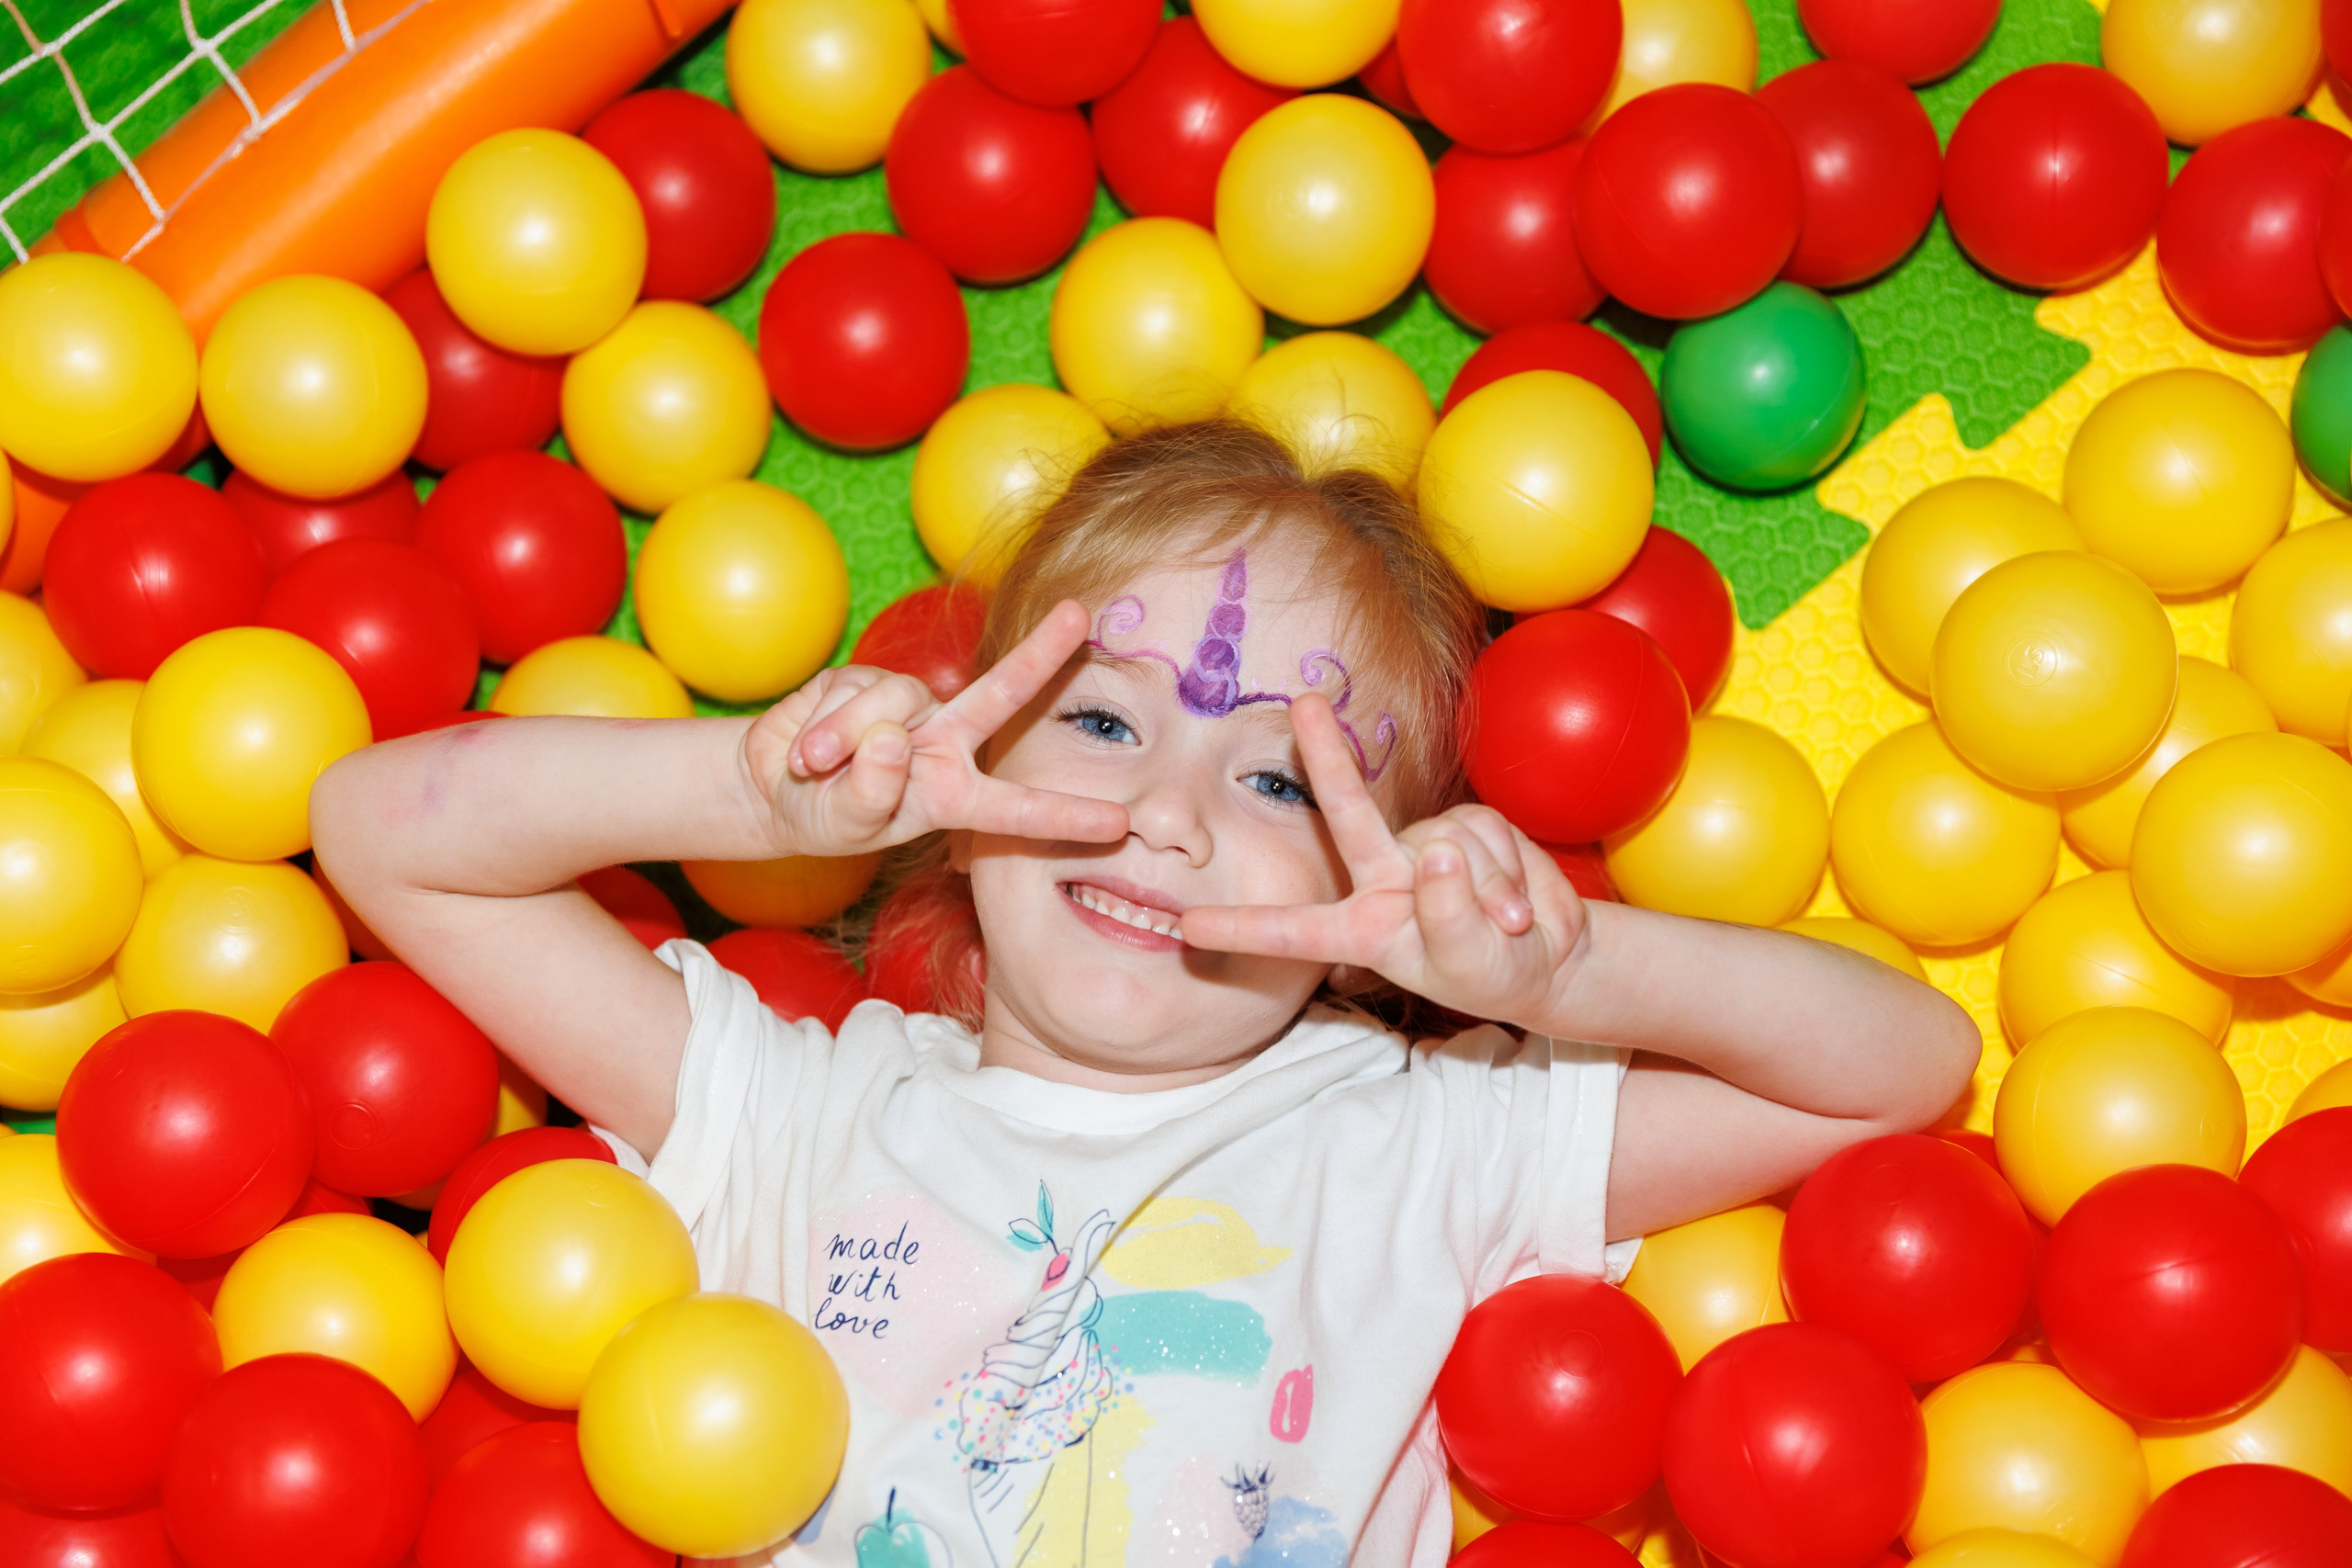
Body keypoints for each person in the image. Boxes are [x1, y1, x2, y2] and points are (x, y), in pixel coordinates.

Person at [314, 421, 1977, 1568]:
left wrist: (1576, 968)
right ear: (963, 777)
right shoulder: (804, 1116)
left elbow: (1898, 1068)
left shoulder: (1421, 1143)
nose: (1166, 814)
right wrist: (762, 803)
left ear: (1369, 903)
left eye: (1276, 782)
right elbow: (379, 831)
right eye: (1104, 725)